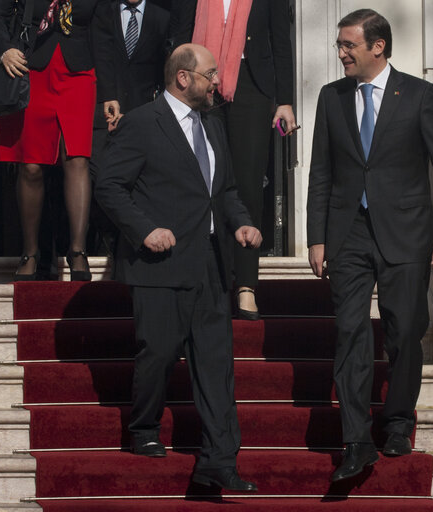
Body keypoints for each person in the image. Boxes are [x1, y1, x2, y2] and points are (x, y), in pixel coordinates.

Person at [306, 9, 433, 482]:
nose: (340, 54)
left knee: (403, 333)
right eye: (339, 44)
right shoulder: (331, 98)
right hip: (348, 233)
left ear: (377, 46)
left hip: (407, 234)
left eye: (348, 45)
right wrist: (317, 236)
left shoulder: (419, 95)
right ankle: (356, 440)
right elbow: (321, 172)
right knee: (350, 333)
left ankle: (397, 421)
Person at [94, 44, 262, 492]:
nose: (217, 83)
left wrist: (241, 223)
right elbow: (109, 186)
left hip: (210, 261)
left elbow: (222, 190)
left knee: (215, 362)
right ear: (184, 78)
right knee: (160, 352)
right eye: (210, 74)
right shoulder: (141, 124)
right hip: (160, 264)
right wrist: (144, 230)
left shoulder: (212, 123)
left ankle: (220, 460)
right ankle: (144, 427)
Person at [172, 0, 297, 320]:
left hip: (251, 89)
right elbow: (181, 37)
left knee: (248, 186)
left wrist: (285, 101)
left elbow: (281, 41)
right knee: (199, 182)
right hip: (200, 89)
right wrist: (172, 91)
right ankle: (202, 276)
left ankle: (245, 285)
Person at [0, 0, 113, 281]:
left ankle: (77, 251)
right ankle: (30, 253)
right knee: (30, 165)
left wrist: (110, 91)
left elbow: (104, 32)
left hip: (80, 73)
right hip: (28, 68)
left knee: (77, 157)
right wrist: (5, 48)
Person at [88, 0, 172, 254]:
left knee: (134, 180)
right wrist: (107, 97)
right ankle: (102, 237)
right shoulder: (101, 12)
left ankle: (123, 241)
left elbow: (162, 72)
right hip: (102, 110)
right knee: (99, 175)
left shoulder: (162, 18)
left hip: (141, 114)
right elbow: (99, 57)